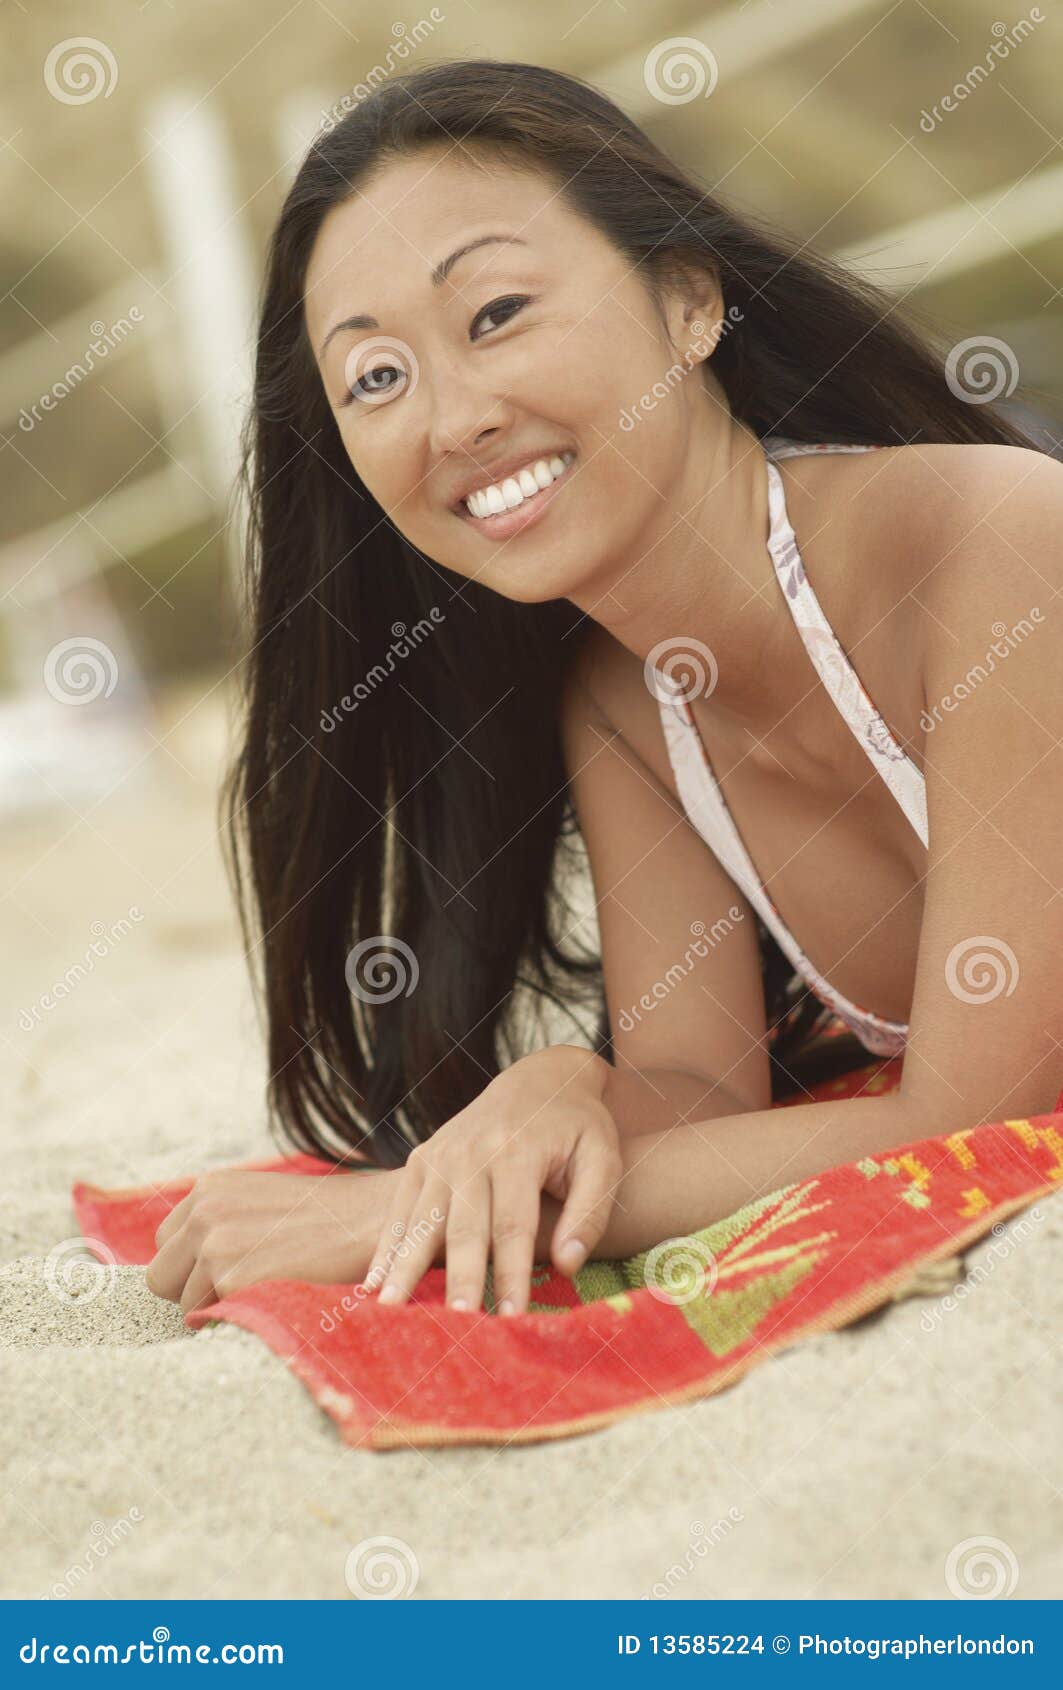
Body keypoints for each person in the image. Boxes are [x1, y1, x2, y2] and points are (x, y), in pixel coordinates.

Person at [146, 59, 1063, 1321]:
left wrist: (401, 1210)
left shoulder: (994, 547)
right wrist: (558, 1087)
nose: (453, 418)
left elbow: (974, 1117)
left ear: (689, 303)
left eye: (496, 313)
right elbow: (700, 1087)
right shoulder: (628, 701)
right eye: (375, 378)